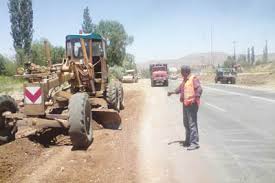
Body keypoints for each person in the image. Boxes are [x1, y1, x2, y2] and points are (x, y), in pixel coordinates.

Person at [168, 65, 202, 150]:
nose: (181, 74)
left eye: (182, 72)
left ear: (186, 72)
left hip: (192, 105)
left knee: (192, 124)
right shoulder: (185, 80)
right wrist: (172, 92)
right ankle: (188, 140)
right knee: (186, 123)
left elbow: (199, 89)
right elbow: (180, 88)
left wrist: (196, 98)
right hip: (186, 104)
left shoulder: (193, 79)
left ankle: (194, 143)